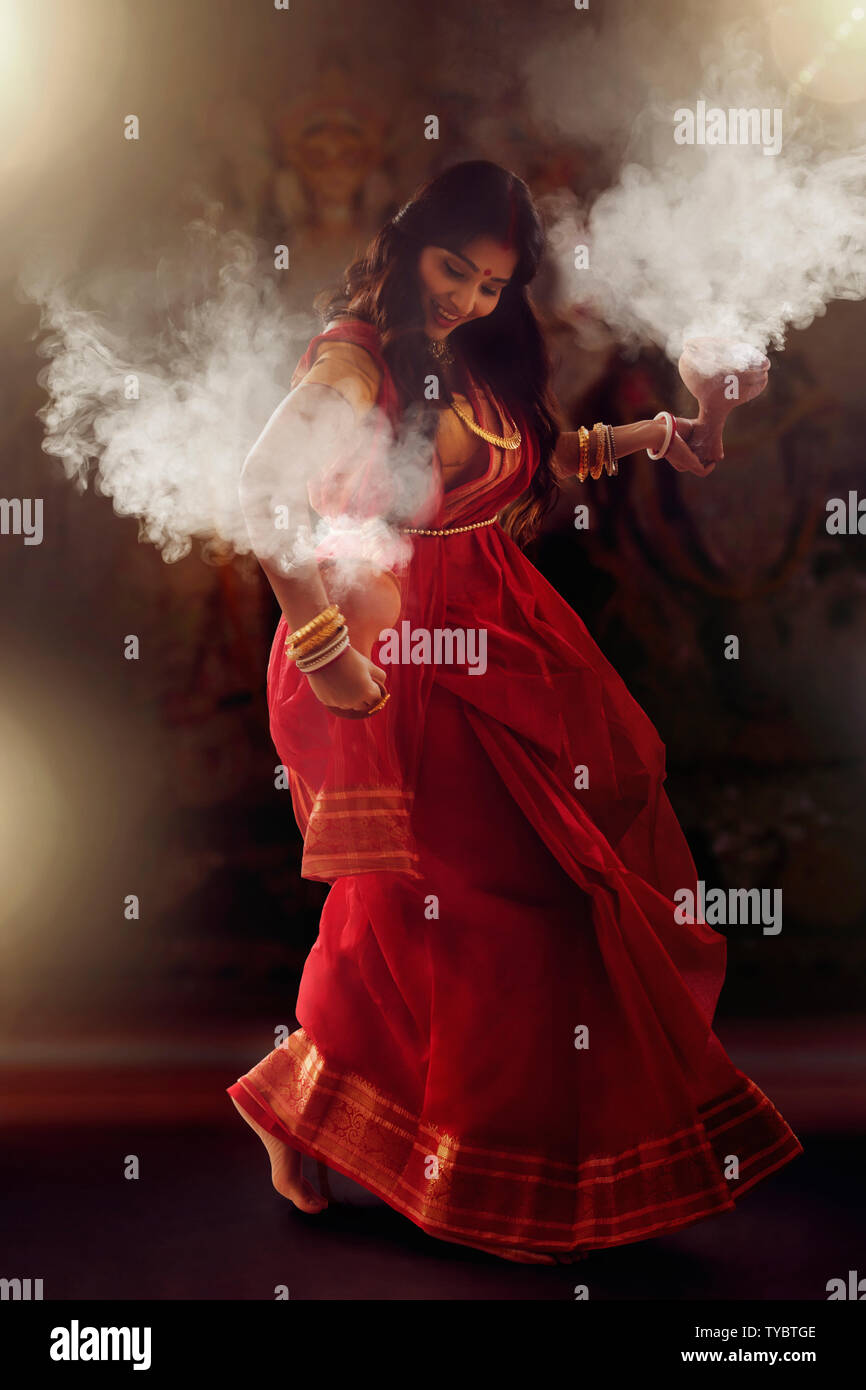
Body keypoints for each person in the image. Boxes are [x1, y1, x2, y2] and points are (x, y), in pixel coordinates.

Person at [227, 160, 801, 1265]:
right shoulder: (352, 361)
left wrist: (664, 433)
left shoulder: (462, 354)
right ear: (405, 246)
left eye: (491, 284)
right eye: (453, 269)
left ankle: (309, 1107)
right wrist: (321, 644)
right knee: (489, 902)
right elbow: (260, 495)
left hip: (501, 636)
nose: (468, 298)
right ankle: (477, 1163)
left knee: (424, 907)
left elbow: (519, 472)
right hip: (389, 649)